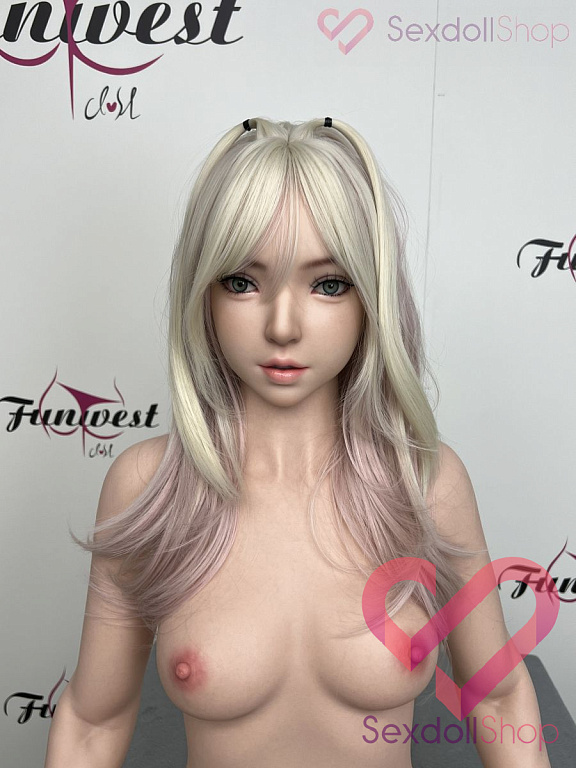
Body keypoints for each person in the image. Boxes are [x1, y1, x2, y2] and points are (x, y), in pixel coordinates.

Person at [44, 117, 551, 768]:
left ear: (371, 298)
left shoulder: (425, 484)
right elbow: (93, 722)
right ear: (203, 293)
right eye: (242, 281)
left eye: (328, 284)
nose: (283, 326)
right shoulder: (148, 489)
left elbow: (499, 699)